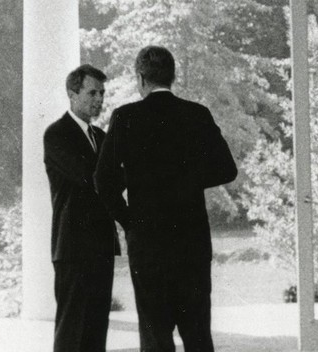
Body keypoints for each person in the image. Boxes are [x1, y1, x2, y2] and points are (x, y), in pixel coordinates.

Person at [94, 46, 237, 352]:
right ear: (173, 76)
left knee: (155, 336)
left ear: (140, 78)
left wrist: (129, 221)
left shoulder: (125, 117)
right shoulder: (197, 114)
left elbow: (102, 180)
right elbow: (227, 169)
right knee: (198, 334)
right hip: (192, 242)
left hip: (148, 243)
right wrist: (187, 180)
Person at [43, 64, 121, 352]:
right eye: (92, 92)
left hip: (102, 246)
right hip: (73, 248)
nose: (99, 99)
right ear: (72, 94)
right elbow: (91, 177)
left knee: (96, 331)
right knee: (71, 332)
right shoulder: (56, 134)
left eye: (102, 93)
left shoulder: (101, 136)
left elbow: (112, 184)